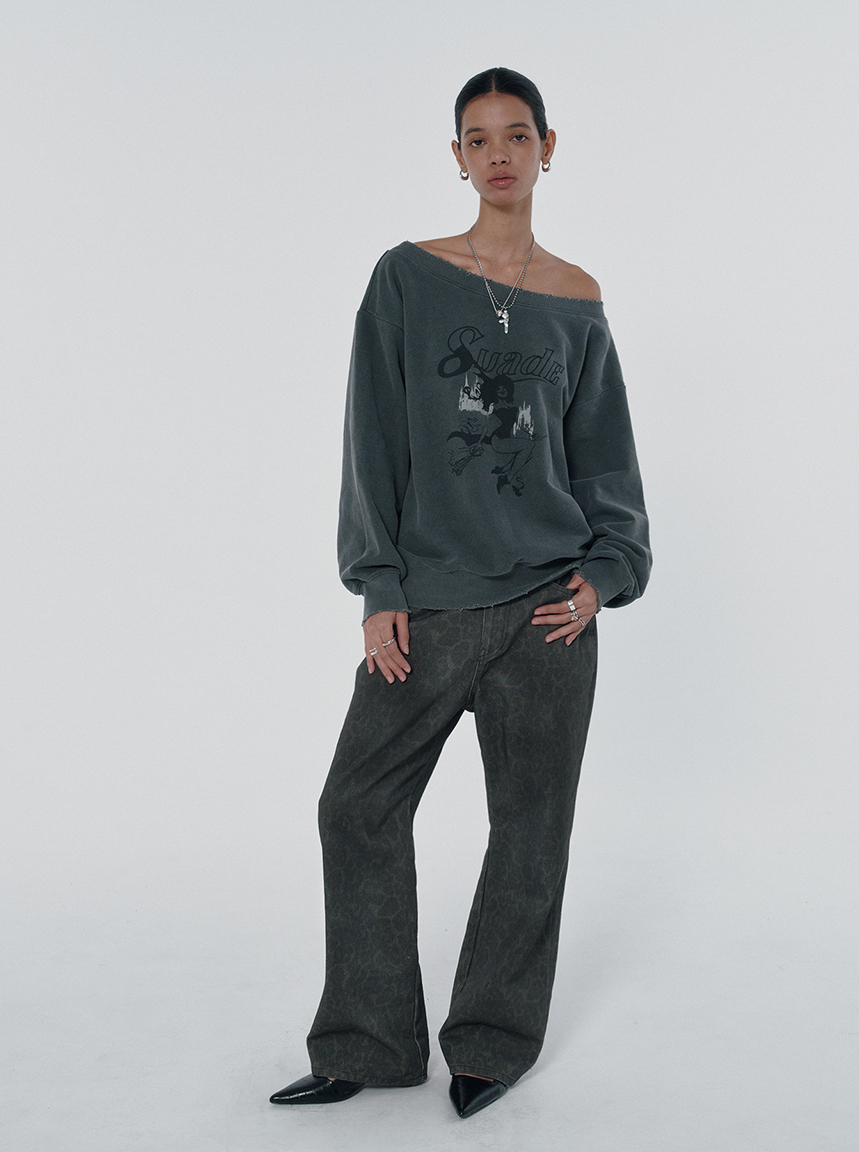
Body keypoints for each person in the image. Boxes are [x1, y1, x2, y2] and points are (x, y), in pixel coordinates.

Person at [270, 66, 651, 1120]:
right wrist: (378, 582)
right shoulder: (406, 277)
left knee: (530, 829)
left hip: (550, 615)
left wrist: (605, 573)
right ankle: (369, 1042)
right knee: (357, 806)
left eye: (516, 135)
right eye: (478, 138)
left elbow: (605, 458)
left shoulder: (577, 297)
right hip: (430, 604)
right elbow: (373, 434)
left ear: (547, 148)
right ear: (456, 156)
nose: (498, 154)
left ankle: (490, 1044)